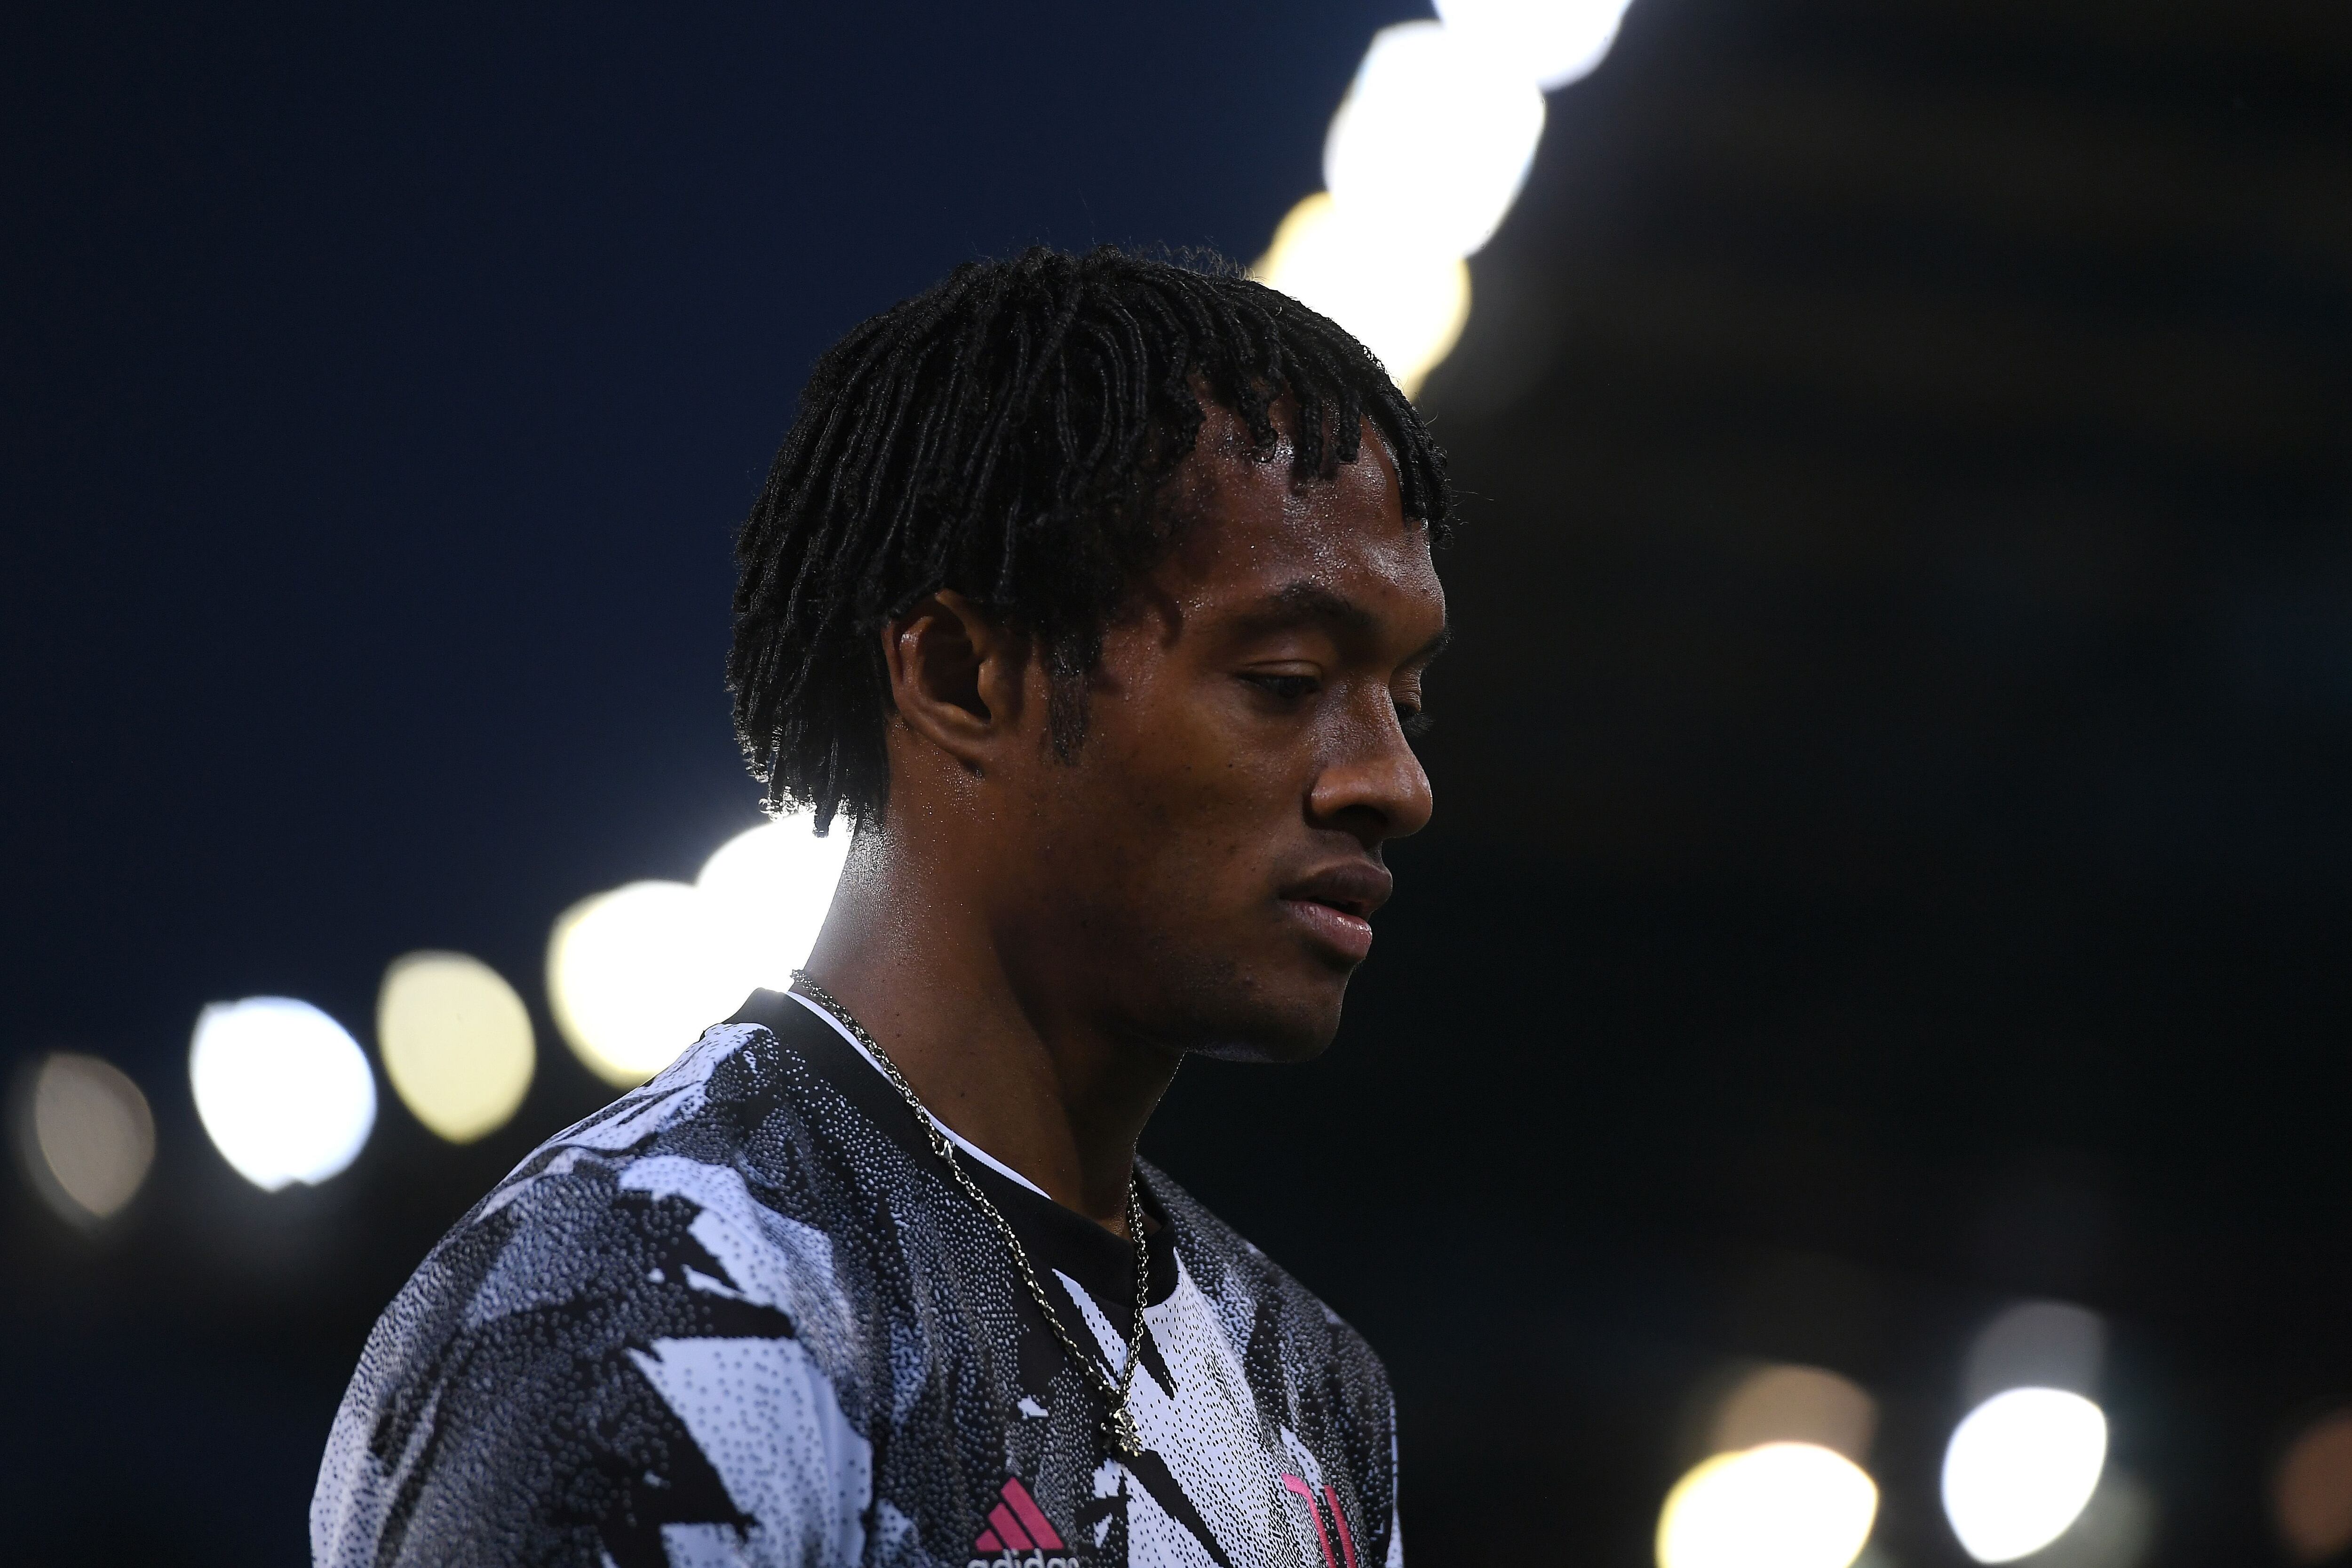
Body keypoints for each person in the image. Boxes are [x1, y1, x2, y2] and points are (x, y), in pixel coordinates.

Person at [311, 245, 1454, 1568]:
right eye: (1287, 680)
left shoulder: (1307, 1386)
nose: (1397, 784)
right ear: (962, 676)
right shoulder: (651, 1291)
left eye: (1405, 703)